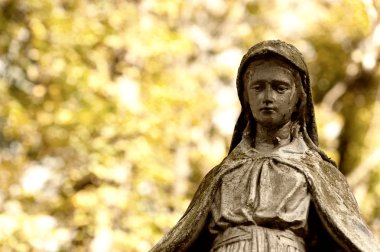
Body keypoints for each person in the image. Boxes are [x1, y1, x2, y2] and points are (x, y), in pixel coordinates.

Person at [150, 40, 380, 251]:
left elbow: (354, 240)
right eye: (258, 87)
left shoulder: (321, 172)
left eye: (280, 88)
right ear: (245, 95)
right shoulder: (222, 174)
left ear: (298, 97)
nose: (267, 97)